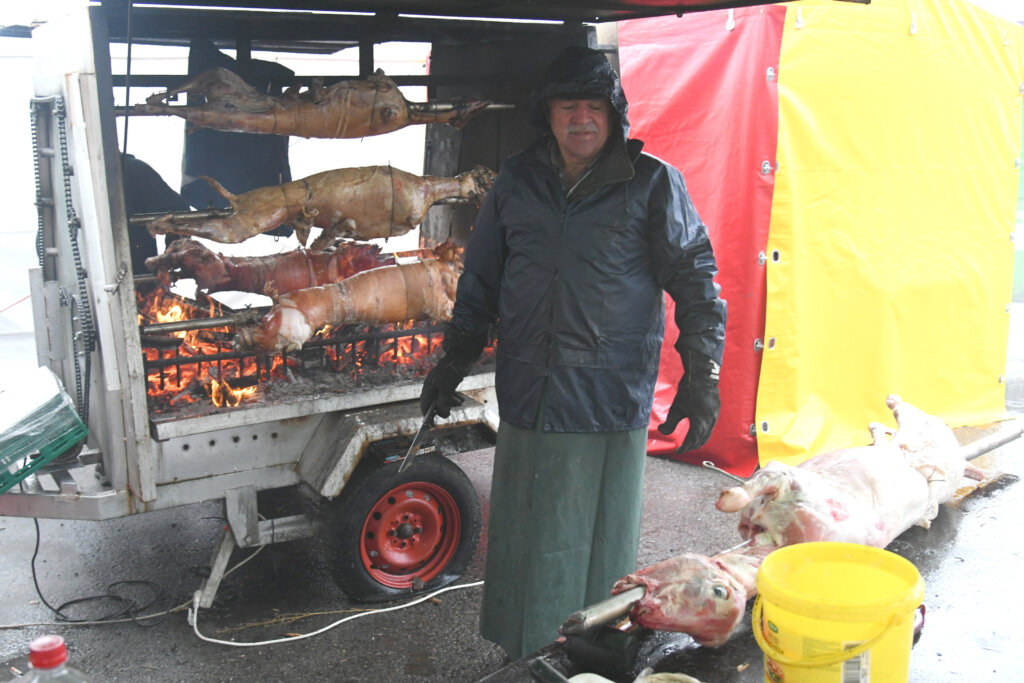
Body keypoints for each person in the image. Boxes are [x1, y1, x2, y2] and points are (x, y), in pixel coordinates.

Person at [418, 45, 727, 660]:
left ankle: (594, 647)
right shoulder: (517, 181)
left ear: (614, 115)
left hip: (610, 391)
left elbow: (695, 276)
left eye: (593, 106)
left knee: (597, 533)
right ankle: (524, 646)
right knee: (529, 528)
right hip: (532, 384)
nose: (581, 119)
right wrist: (452, 360)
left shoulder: (652, 183)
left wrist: (703, 372)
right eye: (567, 107)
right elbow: (480, 277)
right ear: (548, 115)